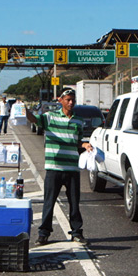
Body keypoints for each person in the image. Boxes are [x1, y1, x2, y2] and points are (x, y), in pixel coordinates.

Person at [25, 88, 93, 246]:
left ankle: (76, 233)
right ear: (60, 100)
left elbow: (77, 143)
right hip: (54, 168)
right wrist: (24, 111)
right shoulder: (50, 117)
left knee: (74, 203)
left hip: (72, 169)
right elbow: (35, 120)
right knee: (49, 202)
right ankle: (44, 233)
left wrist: (84, 145)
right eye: (68, 99)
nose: (70, 103)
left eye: (72, 100)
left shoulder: (78, 121)